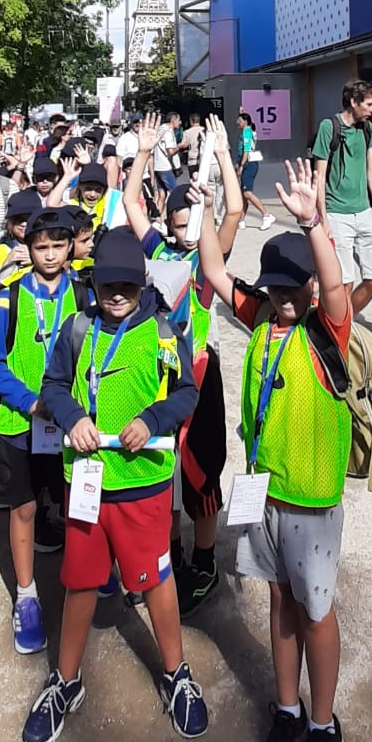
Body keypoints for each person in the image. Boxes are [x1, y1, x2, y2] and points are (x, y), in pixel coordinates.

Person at [197, 158, 352, 742]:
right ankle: (286, 713)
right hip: (263, 497)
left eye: (294, 288)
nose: (282, 299)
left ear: (310, 287)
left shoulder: (327, 330)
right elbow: (210, 271)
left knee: (315, 611)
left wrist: (315, 223)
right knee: (279, 604)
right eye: (275, 289)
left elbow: (339, 287)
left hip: (312, 504)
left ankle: (323, 727)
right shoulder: (261, 317)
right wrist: (200, 205)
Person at [22, 225, 208, 742]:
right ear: (94, 285)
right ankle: (65, 680)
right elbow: (53, 386)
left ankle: (176, 673)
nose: (118, 295)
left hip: (143, 486)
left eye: (127, 285)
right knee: (80, 581)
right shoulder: (78, 329)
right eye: (108, 286)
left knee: (154, 579)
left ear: (142, 283)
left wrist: (152, 418)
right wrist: (73, 414)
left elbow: (185, 394)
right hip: (86, 482)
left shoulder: (166, 333)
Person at [124, 114, 243, 614]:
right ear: (168, 225)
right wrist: (145, 152)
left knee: (201, 471)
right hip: (160, 375)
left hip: (201, 371)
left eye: (195, 224)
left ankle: (205, 559)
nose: (189, 233)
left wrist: (220, 158)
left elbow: (234, 210)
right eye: (180, 224)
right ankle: (167, 554)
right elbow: (132, 203)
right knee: (160, 466)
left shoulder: (208, 256)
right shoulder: (157, 251)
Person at [0, 205, 77, 653]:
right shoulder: (10, 297)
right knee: (24, 511)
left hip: (72, 422)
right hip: (21, 423)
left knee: (78, 501)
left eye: (59, 245)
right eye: (42, 247)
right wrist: (31, 402)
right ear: (28, 248)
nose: (51, 255)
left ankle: (89, 572)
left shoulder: (88, 292)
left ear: (72, 246)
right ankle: (26, 596)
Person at [312, 80, 372, 316]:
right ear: (353, 102)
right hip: (336, 214)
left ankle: (342, 322)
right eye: (368, 104)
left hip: (365, 213)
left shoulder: (368, 129)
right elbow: (320, 177)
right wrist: (323, 220)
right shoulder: (329, 127)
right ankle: (339, 335)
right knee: (343, 283)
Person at [236, 110, 274, 229]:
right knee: (243, 194)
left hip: (249, 164)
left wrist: (241, 166)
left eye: (240, 121)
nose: (237, 123)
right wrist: (241, 112)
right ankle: (241, 220)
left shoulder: (247, 132)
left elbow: (246, 150)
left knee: (247, 193)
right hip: (248, 163)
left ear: (245, 122)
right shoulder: (248, 130)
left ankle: (266, 215)